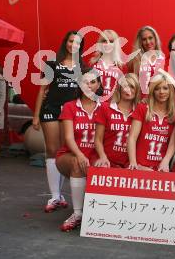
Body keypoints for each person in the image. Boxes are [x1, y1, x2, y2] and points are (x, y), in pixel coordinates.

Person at [33, 30, 85, 212]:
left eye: (77, 43)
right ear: (66, 42)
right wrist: (35, 116)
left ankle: (61, 194)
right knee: (52, 150)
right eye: (71, 41)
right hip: (51, 110)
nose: (73, 45)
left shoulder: (83, 68)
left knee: (64, 151)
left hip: (71, 113)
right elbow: (42, 90)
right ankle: (55, 196)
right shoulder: (52, 64)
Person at [56, 68, 102, 231]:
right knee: (77, 163)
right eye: (85, 82)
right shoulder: (70, 106)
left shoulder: (105, 107)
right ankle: (77, 213)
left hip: (94, 156)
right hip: (69, 155)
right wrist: (81, 155)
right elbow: (68, 138)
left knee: (105, 167)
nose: (89, 85)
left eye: (93, 82)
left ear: (98, 85)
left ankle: (100, 213)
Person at [127, 71, 175, 171]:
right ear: (152, 91)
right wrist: (133, 163)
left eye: (165, 88)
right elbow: (132, 138)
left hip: (161, 168)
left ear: (170, 90)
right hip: (140, 166)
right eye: (157, 89)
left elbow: (173, 143)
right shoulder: (143, 108)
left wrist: (166, 162)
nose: (161, 92)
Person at [94, 73, 140, 168]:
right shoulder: (105, 108)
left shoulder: (140, 112)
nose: (128, 90)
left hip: (129, 163)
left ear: (137, 90)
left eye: (132, 87)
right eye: (125, 86)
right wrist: (103, 157)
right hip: (107, 159)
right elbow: (98, 139)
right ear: (119, 88)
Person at [90, 29, 127, 100]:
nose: (108, 44)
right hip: (95, 105)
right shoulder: (93, 64)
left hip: (113, 106)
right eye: (104, 41)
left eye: (111, 41)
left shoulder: (122, 67)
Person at [128, 26, 165, 96]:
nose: (148, 42)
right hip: (142, 99)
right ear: (140, 42)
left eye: (150, 38)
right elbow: (133, 83)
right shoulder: (136, 59)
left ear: (155, 39)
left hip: (158, 97)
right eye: (144, 39)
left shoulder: (162, 57)